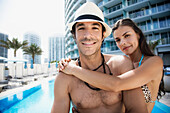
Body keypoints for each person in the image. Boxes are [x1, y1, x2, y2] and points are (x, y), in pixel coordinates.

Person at [51, 2, 147, 113]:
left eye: (95, 28)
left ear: (103, 35)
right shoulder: (65, 78)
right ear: (74, 35)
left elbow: (138, 110)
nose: (88, 35)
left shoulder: (121, 65)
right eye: (81, 28)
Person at [58, 17, 164, 113]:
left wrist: (73, 69)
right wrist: (71, 62)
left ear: (138, 34)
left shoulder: (154, 62)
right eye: (118, 40)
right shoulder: (124, 64)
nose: (123, 42)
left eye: (127, 36)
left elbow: (116, 84)